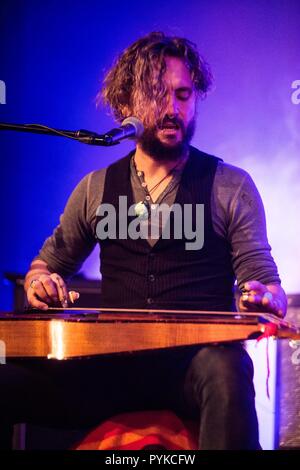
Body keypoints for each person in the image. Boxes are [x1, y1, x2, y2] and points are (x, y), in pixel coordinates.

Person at [1, 32, 287, 450]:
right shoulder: (95, 189)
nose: (172, 109)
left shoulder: (231, 186)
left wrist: (264, 298)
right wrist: (40, 283)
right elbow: (45, 265)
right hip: (108, 370)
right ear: (125, 107)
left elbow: (268, 287)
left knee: (227, 370)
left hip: (194, 369)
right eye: (157, 95)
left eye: (183, 95)